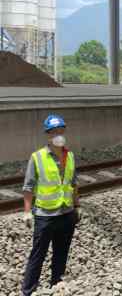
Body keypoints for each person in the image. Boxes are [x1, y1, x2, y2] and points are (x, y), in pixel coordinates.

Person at [21, 114, 79, 296]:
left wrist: (77, 206)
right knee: (38, 255)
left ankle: (56, 286)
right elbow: (28, 186)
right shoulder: (37, 157)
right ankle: (28, 291)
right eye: (54, 131)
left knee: (61, 254)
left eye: (61, 131)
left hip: (66, 214)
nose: (58, 134)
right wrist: (27, 211)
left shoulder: (69, 156)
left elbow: (73, 184)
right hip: (45, 216)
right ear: (48, 135)